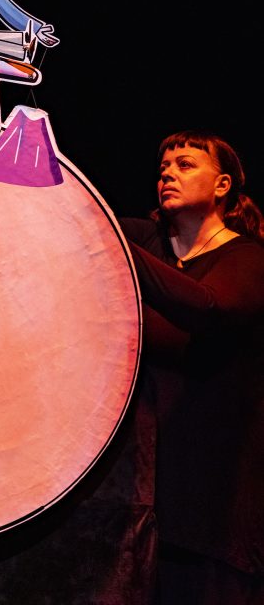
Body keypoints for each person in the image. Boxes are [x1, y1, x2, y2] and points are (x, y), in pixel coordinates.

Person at [120, 130, 264, 604]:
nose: (167, 173)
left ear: (222, 185)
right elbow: (73, 218)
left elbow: (209, 308)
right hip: (141, 495)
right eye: (163, 166)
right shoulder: (147, 240)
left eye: (185, 164)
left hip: (214, 499)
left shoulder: (247, 258)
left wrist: (114, 248)